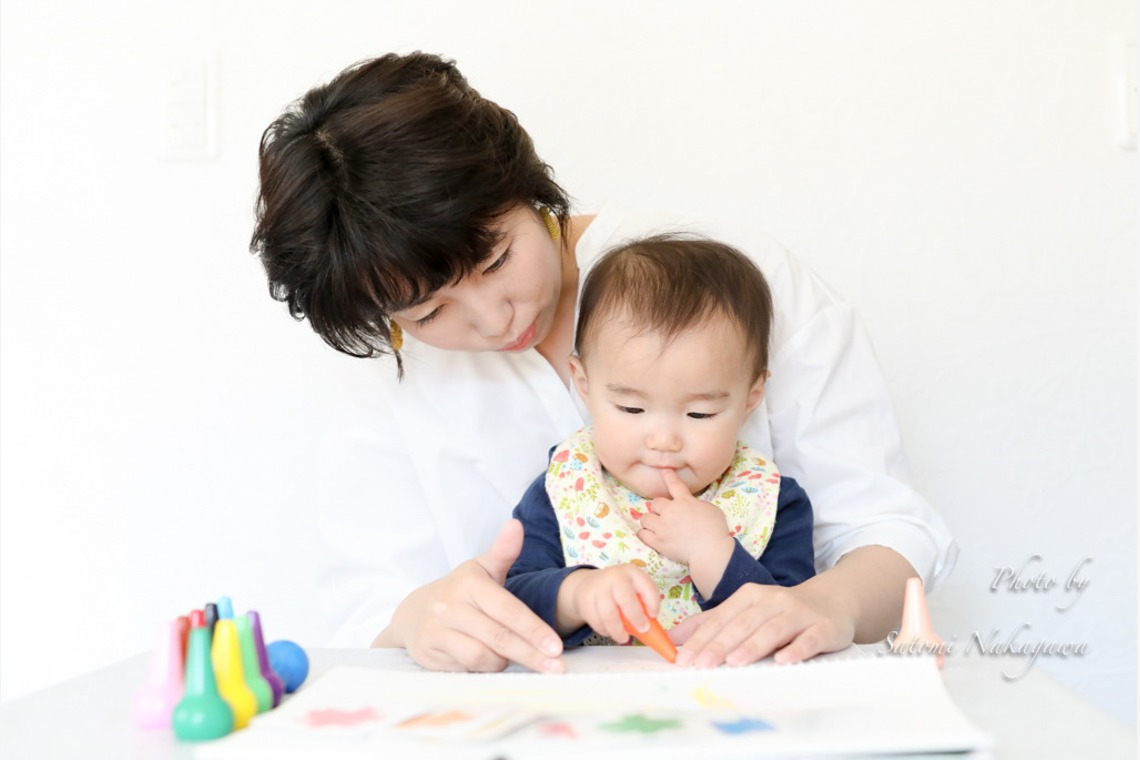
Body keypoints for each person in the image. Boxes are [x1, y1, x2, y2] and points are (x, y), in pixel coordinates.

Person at [250, 51, 957, 674]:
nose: (495, 318)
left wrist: (825, 605)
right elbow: (371, 608)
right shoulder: (392, 388)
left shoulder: (736, 280)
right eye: (429, 313)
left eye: (497, 259)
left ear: (524, 181)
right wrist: (416, 620)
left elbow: (888, 528)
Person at [504, 235, 816, 646]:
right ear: (584, 384)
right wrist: (578, 594)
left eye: (699, 414)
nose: (664, 440)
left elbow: (791, 618)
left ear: (750, 399)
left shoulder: (772, 500)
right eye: (632, 409)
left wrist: (712, 552)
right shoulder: (565, 487)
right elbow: (515, 598)